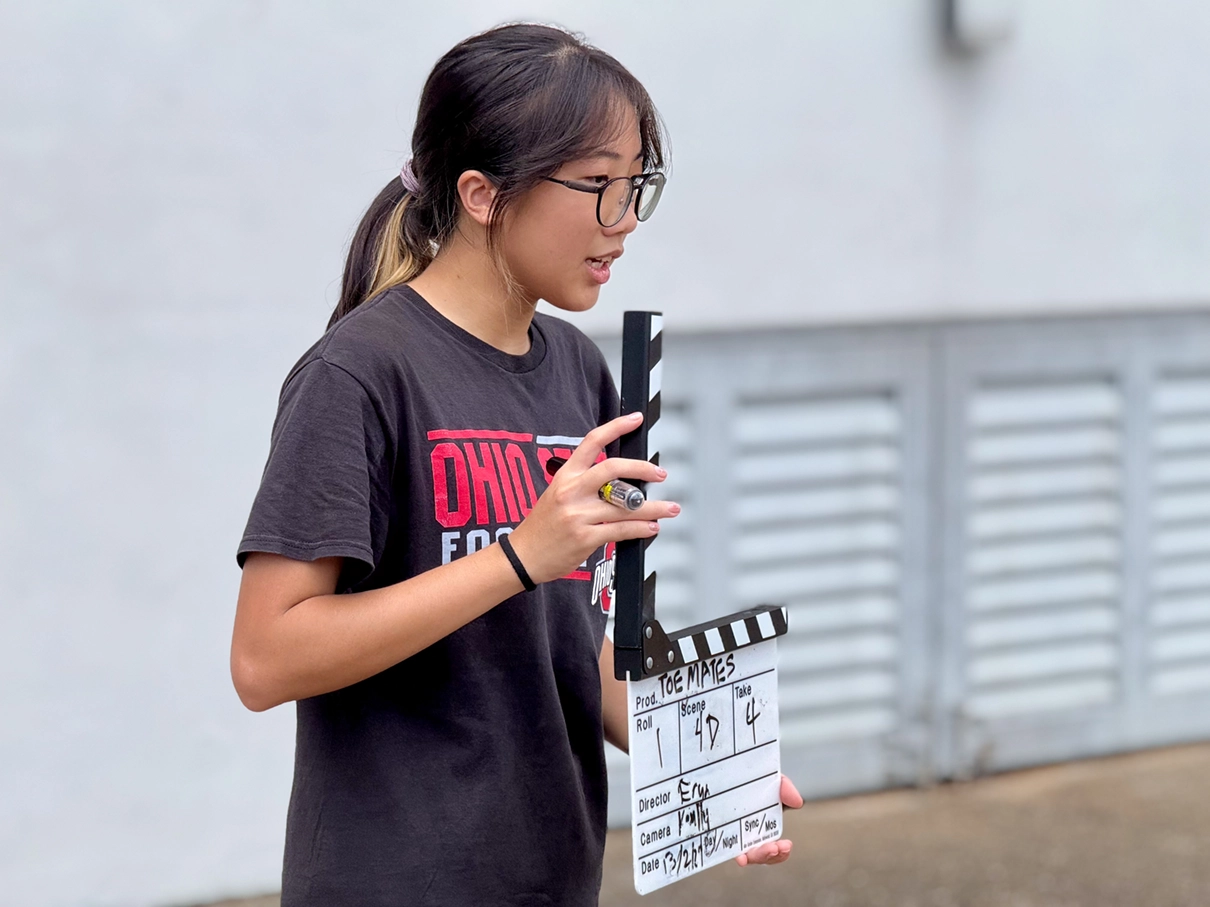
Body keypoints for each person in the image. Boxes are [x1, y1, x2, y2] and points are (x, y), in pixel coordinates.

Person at [230, 22, 802, 906]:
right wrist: (515, 557)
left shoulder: (584, 371)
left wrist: (709, 770)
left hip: (551, 876)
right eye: (599, 187)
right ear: (482, 195)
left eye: (637, 186)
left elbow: (581, 639)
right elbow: (265, 657)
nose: (625, 223)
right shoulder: (358, 374)